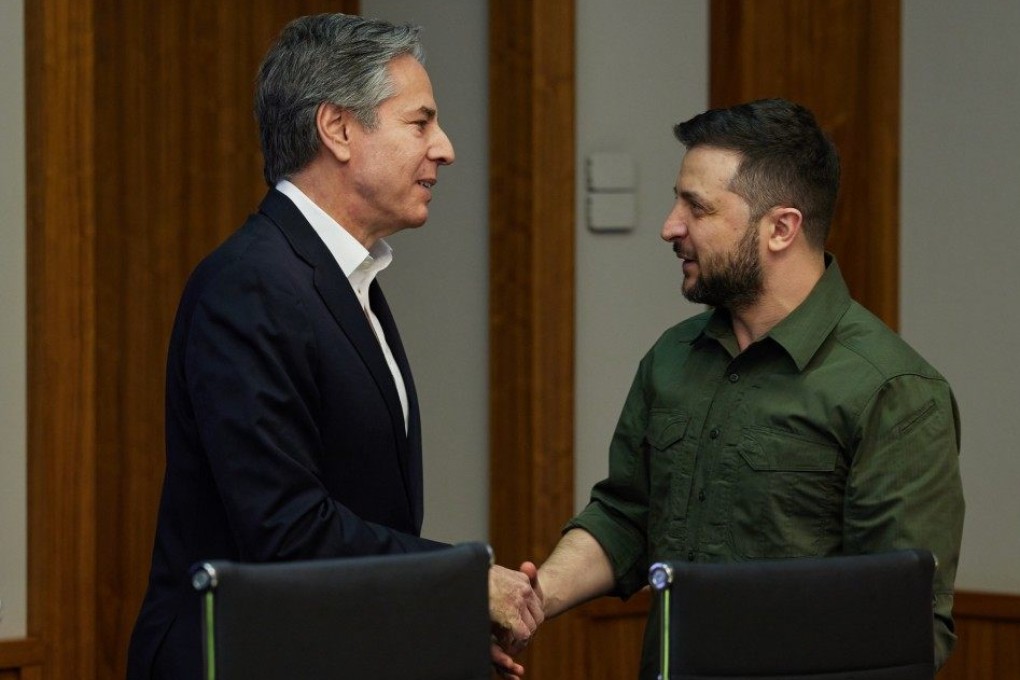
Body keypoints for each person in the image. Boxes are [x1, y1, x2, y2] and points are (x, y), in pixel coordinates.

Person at [126, 13, 540, 679]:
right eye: (420, 123)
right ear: (338, 129)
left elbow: (356, 513)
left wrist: (431, 622)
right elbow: (286, 529)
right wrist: (459, 581)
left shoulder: (343, 278)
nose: (445, 148)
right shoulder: (250, 284)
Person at [515, 98, 965, 676]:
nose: (670, 226)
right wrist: (532, 600)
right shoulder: (672, 358)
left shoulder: (892, 391)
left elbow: (904, 622)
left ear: (780, 228)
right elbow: (627, 516)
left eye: (697, 207)